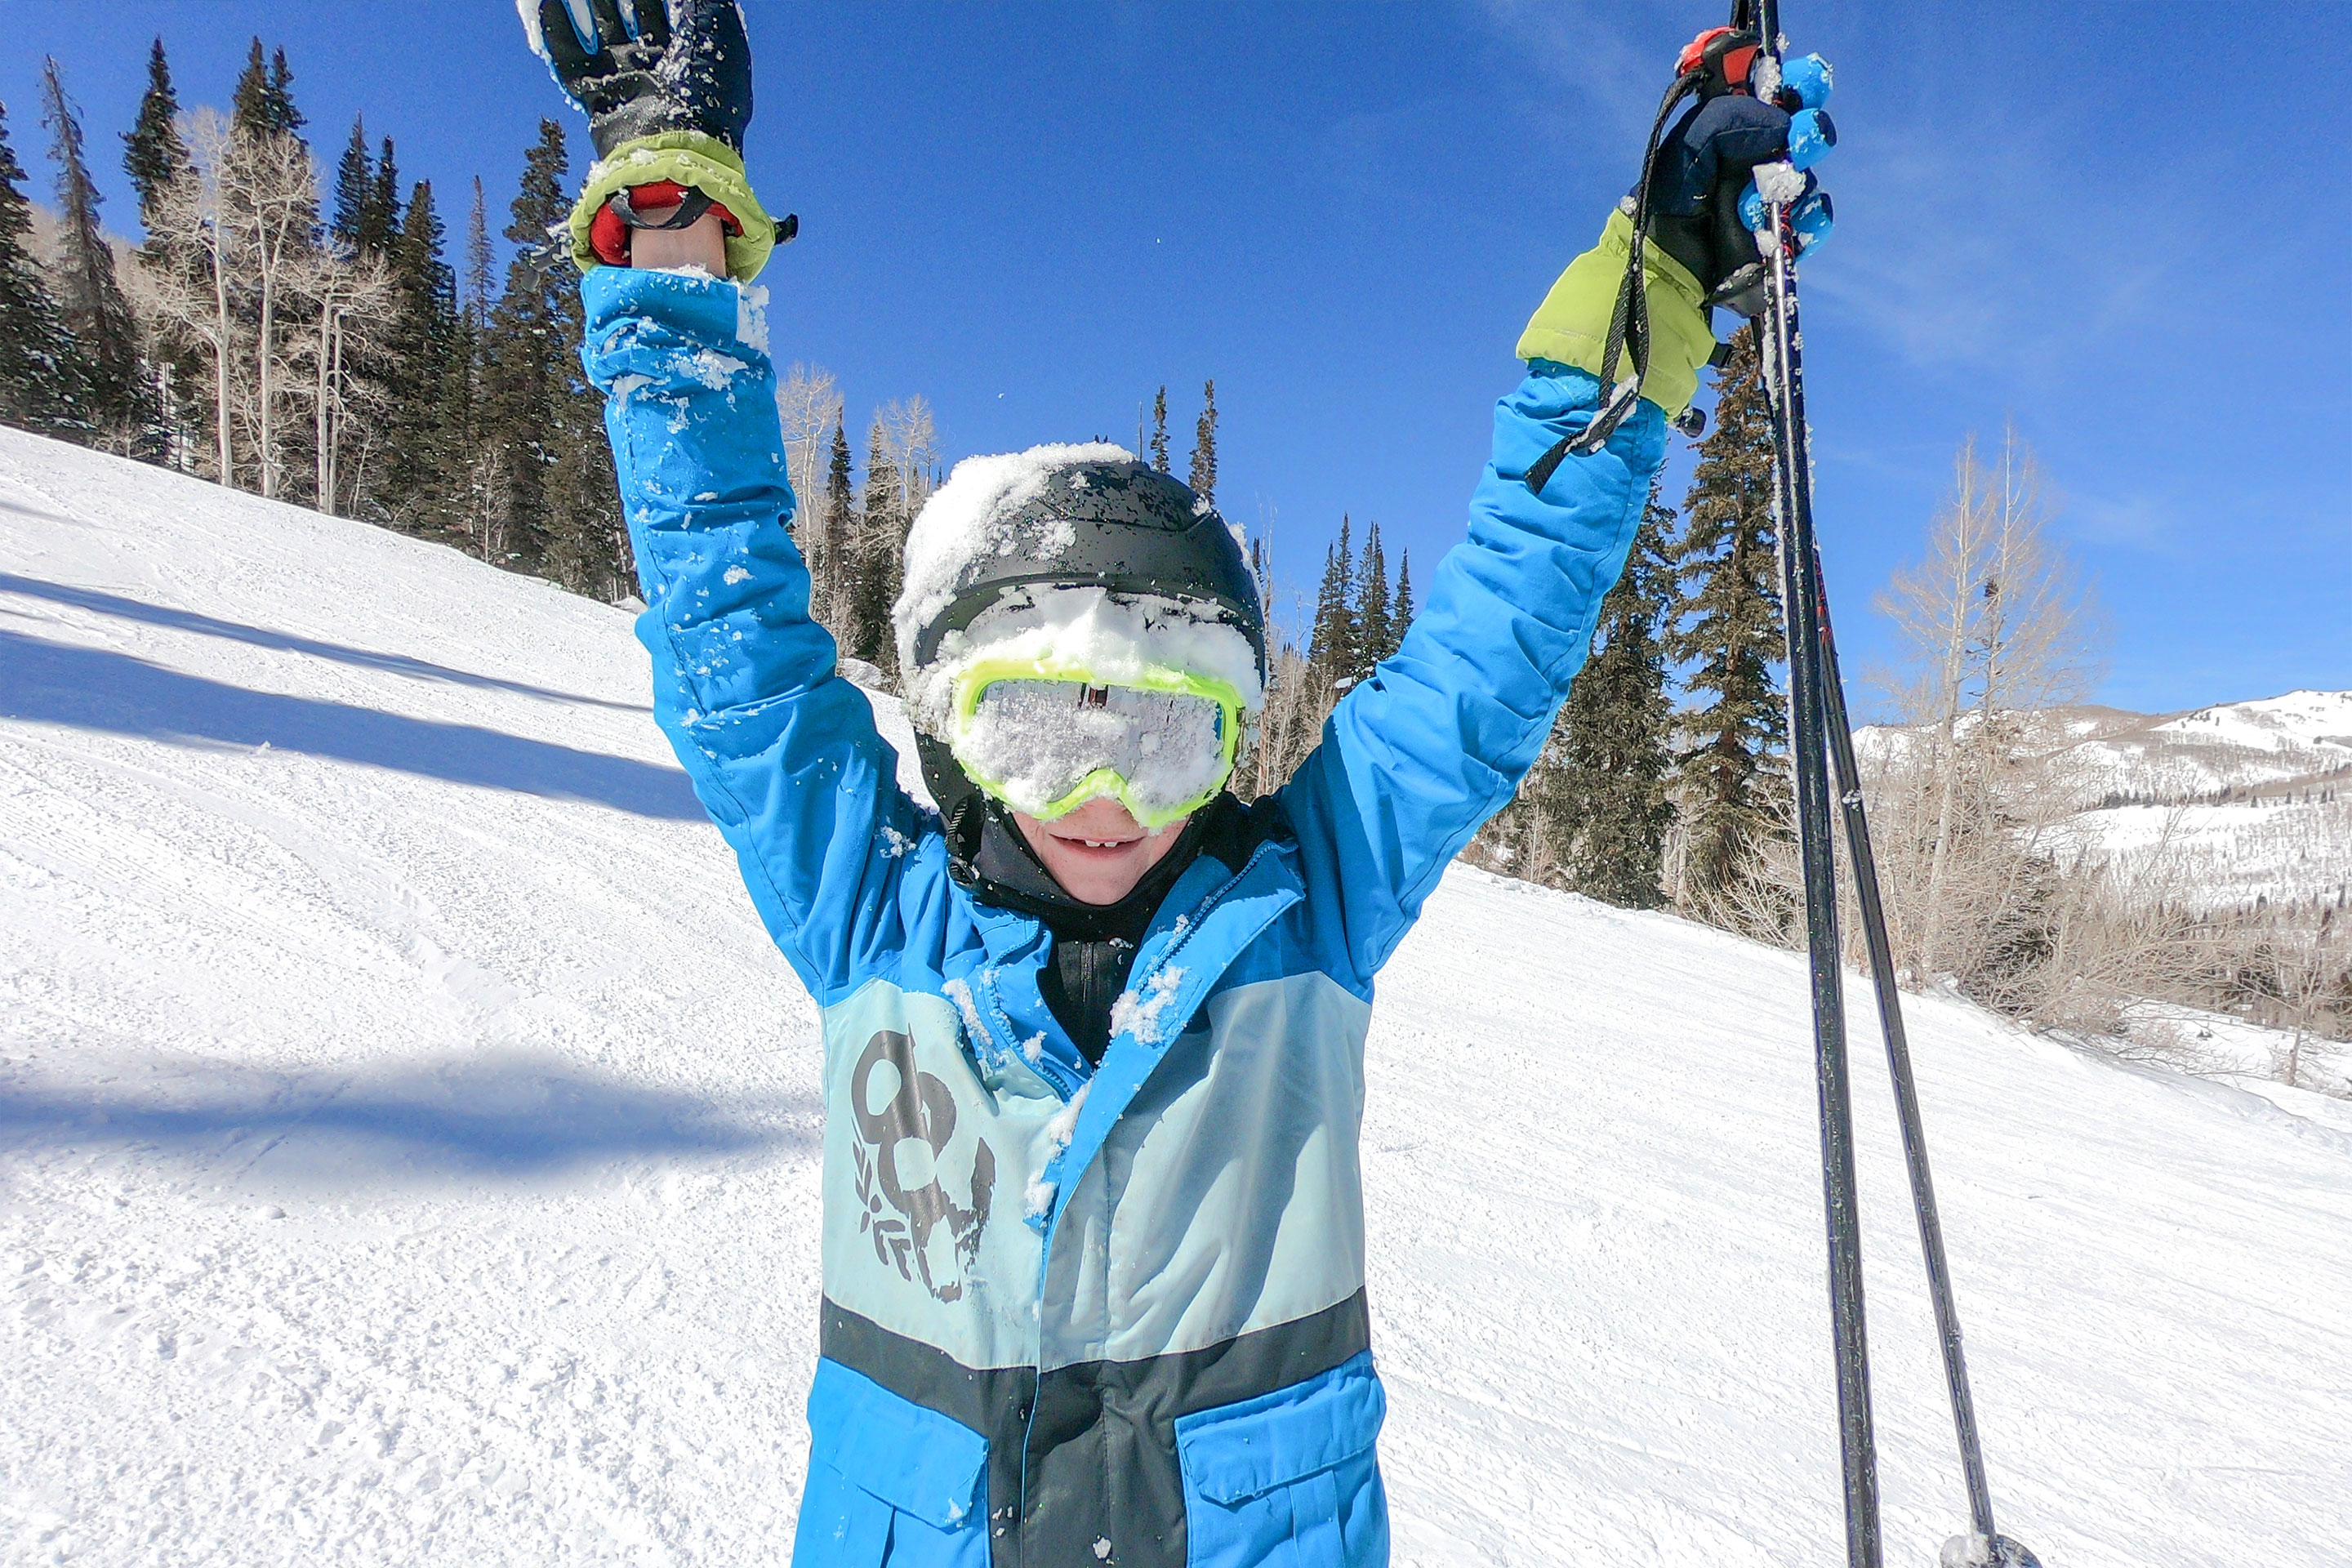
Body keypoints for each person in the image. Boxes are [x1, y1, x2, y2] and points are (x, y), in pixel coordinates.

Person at [521, 3, 1833, 1563]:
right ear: (949, 730)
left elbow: (1492, 652)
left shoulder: (1305, 915)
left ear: (1233, 744)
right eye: (1038, 728)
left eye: (1163, 732)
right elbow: (730, 643)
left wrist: (1661, 278)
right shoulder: (876, 925)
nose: (1105, 797)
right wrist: (666, 233)